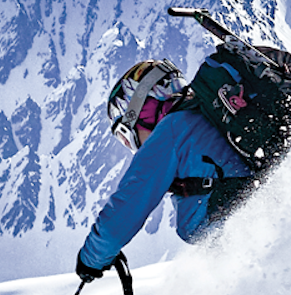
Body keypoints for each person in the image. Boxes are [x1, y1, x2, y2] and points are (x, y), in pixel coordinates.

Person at [75, 59, 255, 282]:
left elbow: (130, 203)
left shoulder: (172, 128)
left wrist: (91, 259)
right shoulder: (208, 120)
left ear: (137, 113)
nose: (133, 147)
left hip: (246, 238)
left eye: (126, 136)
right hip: (254, 231)